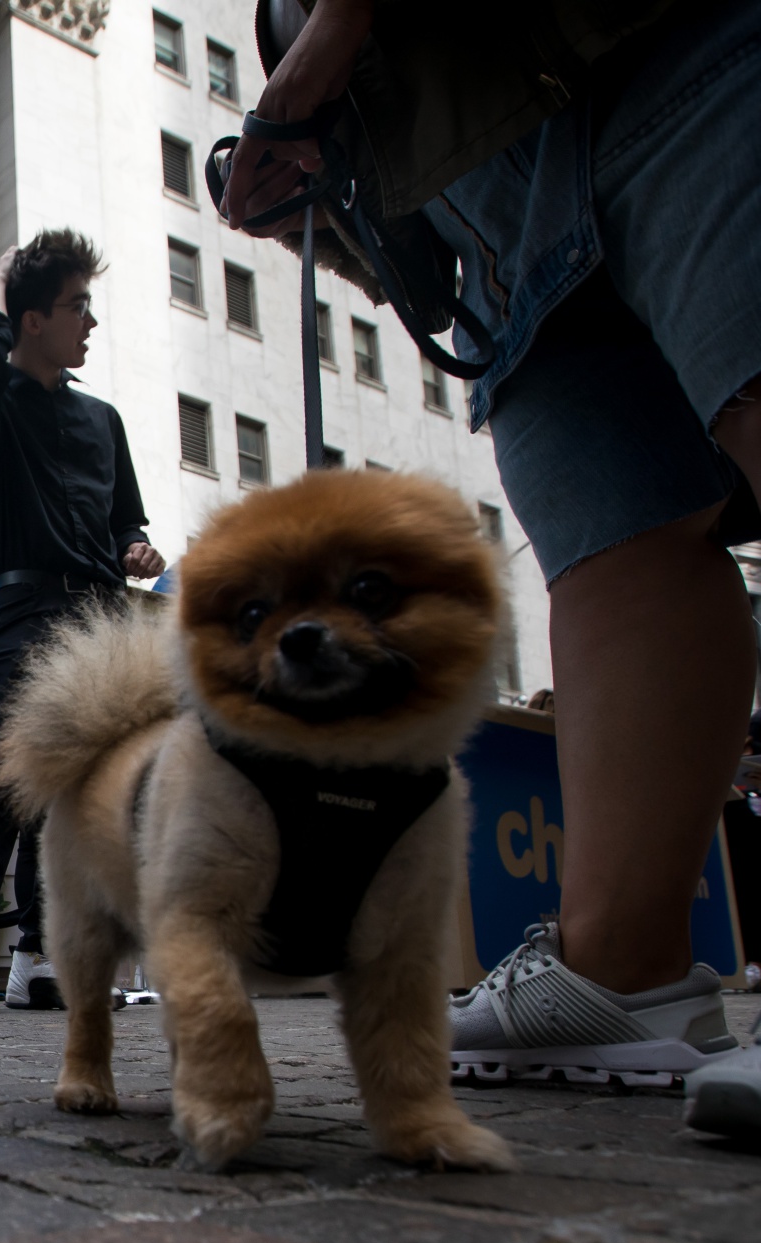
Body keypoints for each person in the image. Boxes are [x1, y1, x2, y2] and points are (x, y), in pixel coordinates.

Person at [219, 0, 759, 1133]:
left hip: (663, 42)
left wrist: (328, 40)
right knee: (617, 550)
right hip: (499, 218)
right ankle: (621, 974)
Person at [0, 229, 165, 1014]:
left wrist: (135, 546)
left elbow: (124, 517)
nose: (89, 322)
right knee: (9, 769)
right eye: (75, 306)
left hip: (103, 615)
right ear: (31, 318)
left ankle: (39, 952)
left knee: (80, 784)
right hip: (24, 606)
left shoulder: (105, 419)